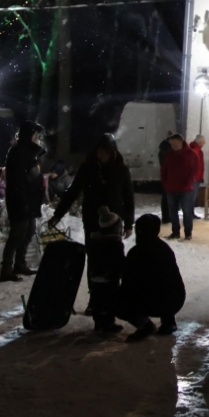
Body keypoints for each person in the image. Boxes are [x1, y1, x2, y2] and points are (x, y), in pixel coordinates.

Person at [49, 132, 135, 333]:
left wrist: (129, 223)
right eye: (99, 151)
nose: (102, 155)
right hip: (92, 220)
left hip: (114, 223)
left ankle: (110, 302)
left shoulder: (121, 170)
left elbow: (128, 197)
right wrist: (57, 215)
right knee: (95, 259)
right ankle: (95, 299)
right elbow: (72, 193)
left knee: (112, 260)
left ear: (112, 152)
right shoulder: (87, 169)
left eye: (105, 151)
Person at [116, 214, 186, 342]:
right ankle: (168, 321)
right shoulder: (164, 248)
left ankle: (145, 325)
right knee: (164, 286)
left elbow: (128, 283)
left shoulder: (137, 252)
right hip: (176, 299)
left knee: (116, 299)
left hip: (158, 301)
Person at [0, 120, 46, 282]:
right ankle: (6, 269)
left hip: (30, 201)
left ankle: (20, 263)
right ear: (29, 135)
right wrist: (23, 201)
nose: (38, 138)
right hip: (20, 201)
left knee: (29, 232)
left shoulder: (29, 152)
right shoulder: (18, 152)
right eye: (36, 135)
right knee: (17, 235)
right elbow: (18, 180)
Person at [159, 134, 197, 240]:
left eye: (175, 143)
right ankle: (175, 232)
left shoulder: (191, 154)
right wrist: (165, 183)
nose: (173, 146)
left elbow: (193, 170)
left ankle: (188, 233)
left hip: (186, 189)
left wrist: (188, 182)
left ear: (181, 141)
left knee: (187, 212)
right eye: (172, 144)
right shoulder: (169, 155)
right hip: (171, 188)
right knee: (173, 212)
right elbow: (164, 171)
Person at [188, 134, 207, 222]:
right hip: (195, 177)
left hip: (196, 177)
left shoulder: (195, 149)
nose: (204, 143)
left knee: (192, 196)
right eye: (203, 142)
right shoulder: (195, 150)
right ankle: (189, 213)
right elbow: (195, 165)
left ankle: (190, 212)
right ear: (199, 142)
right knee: (192, 196)